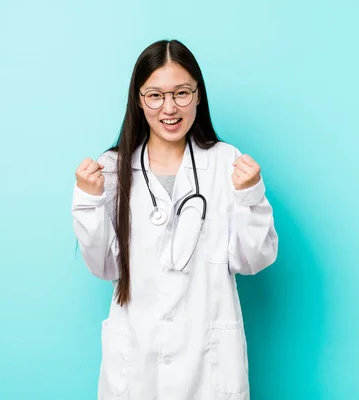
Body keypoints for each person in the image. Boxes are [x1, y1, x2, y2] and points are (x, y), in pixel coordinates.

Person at [71, 39, 278, 400]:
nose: (170, 107)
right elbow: (104, 266)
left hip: (207, 366)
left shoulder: (226, 163)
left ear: (198, 95)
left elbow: (253, 260)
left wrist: (251, 195)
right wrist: (89, 202)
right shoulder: (112, 168)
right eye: (155, 95)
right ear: (138, 98)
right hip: (136, 365)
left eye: (182, 93)